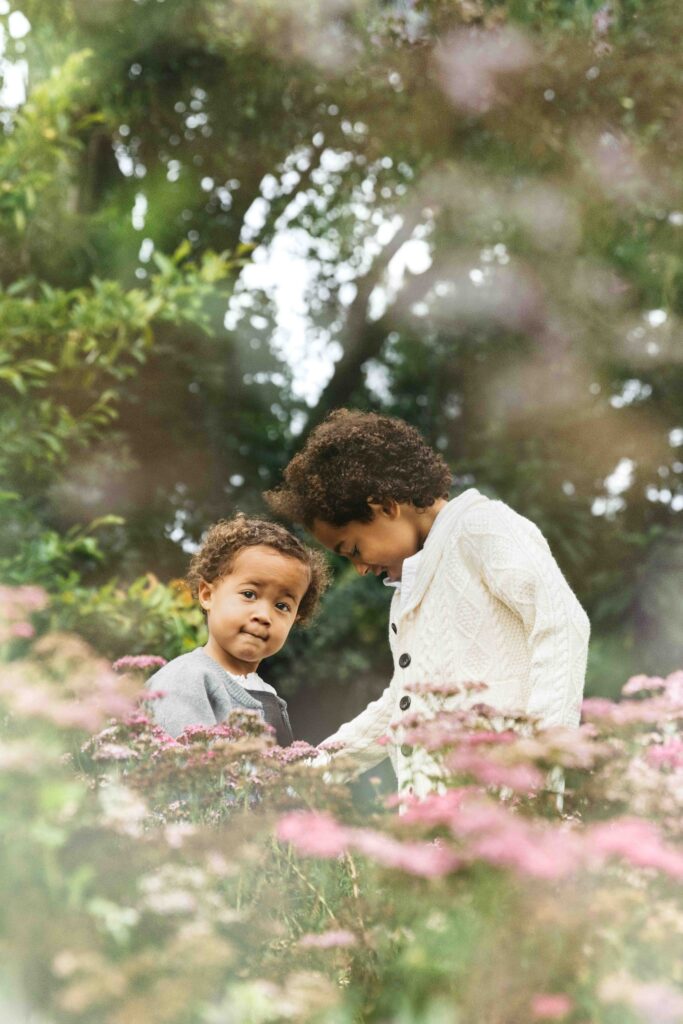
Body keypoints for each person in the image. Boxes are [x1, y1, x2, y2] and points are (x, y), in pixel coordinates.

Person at [265, 408, 590, 797]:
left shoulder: (482, 527)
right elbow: (400, 704)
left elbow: (562, 624)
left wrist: (539, 764)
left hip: (505, 806)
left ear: (385, 506)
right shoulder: (411, 587)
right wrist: (308, 775)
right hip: (434, 822)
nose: (361, 568)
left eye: (353, 549)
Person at [147, 516, 329, 743]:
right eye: (249, 594)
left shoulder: (268, 695)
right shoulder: (185, 679)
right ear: (207, 595)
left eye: (282, 606)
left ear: (296, 618)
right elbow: (182, 771)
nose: (263, 616)